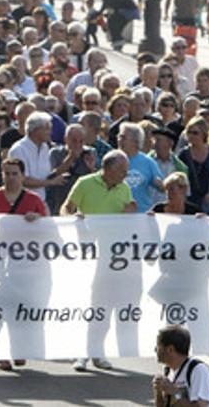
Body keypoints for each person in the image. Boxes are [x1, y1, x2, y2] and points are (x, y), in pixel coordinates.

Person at [62, 150, 136, 372]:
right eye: (122, 170)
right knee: (86, 305)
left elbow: (128, 219)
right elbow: (67, 207)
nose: (126, 174)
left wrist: (133, 214)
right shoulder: (85, 183)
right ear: (108, 168)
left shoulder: (124, 189)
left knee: (104, 306)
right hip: (87, 255)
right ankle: (81, 352)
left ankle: (97, 351)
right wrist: (72, 219)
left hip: (111, 258)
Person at [152, 325, 209, 407]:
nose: (155, 350)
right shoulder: (168, 371)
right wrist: (158, 392)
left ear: (170, 349)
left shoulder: (198, 370)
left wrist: (175, 393)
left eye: (158, 346)